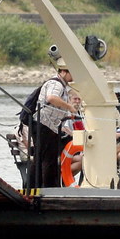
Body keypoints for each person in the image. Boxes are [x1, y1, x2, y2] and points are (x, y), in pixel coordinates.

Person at [33, 58, 77, 189]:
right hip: (44, 125)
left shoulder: (61, 86)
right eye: (71, 73)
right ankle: (36, 186)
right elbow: (51, 98)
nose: (73, 77)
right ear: (64, 71)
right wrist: (69, 107)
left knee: (50, 159)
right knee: (43, 158)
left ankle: (48, 186)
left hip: (50, 126)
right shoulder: (56, 84)